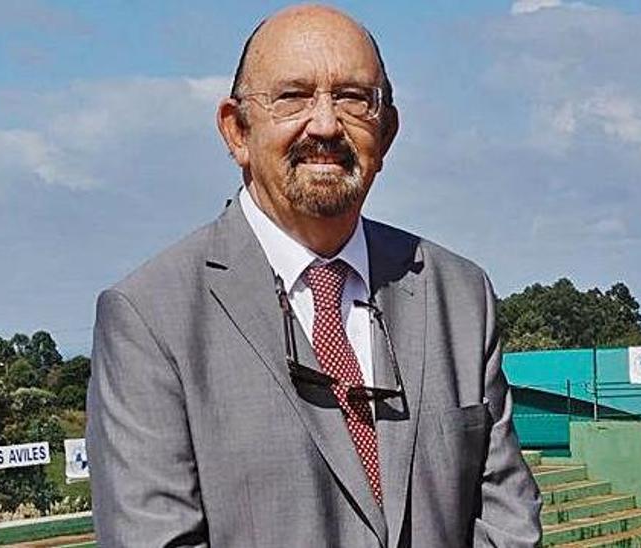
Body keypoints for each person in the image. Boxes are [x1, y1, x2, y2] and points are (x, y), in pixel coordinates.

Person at [85, 4, 543, 547]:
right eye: (293, 97)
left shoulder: (461, 298)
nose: (325, 124)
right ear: (236, 131)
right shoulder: (149, 319)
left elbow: (508, 525)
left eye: (353, 98)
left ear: (388, 132)